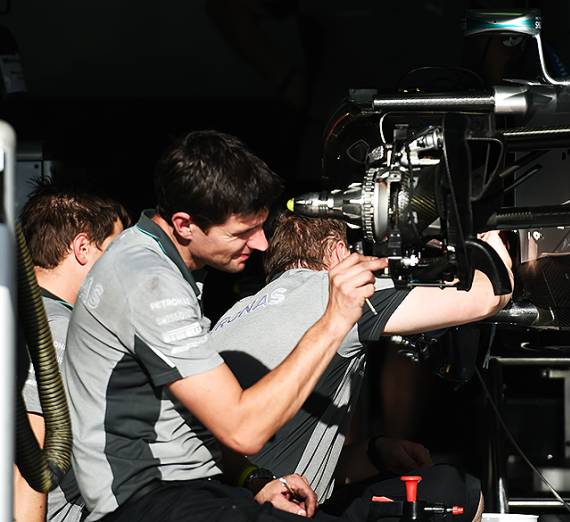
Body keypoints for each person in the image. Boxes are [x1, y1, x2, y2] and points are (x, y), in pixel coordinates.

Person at [61, 130, 387, 521]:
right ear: (184, 225)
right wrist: (334, 320)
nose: (263, 244)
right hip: (144, 501)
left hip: (188, 491)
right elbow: (244, 430)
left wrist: (256, 480)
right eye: (243, 232)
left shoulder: (154, 260)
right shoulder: (147, 282)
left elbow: (189, 427)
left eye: (262, 226)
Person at [209, 213, 513, 520]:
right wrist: (493, 241)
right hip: (271, 511)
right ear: (340, 252)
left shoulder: (231, 315)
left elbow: (282, 456)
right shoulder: (337, 294)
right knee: (454, 491)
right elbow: (487, 297)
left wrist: (374, 452)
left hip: (219, 497)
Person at [15, 181, 130, 522]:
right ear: (83, 248)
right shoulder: (58, 328)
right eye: (115, 252)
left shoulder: (18, 313)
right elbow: (28, 467)